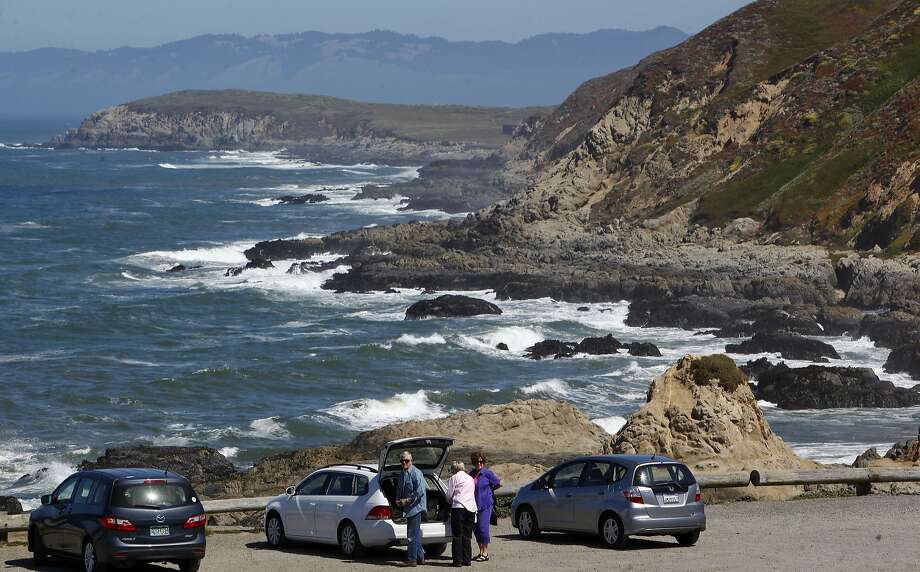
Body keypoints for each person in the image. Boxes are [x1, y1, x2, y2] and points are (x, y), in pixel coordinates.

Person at [395, 451, 427, 567]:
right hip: (408, 508)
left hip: (415, 508)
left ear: (411, 461)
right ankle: (420, 557)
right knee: (415, 534)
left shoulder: (416, 473)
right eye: (402, 460)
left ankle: (411, 559)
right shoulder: (402, 473)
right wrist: (398, 500)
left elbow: (420, 492)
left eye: (406, 460)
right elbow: (399, 488)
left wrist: (407, 500)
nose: (404, 462)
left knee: (411, 536)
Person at [469, 451, 500, 562]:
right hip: (474, 505)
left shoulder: (488, 473)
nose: (479, 463)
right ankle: (481, 551)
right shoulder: (471, 474)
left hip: (485, 504)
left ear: (484, 462)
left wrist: (489, 491)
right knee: (476, 529)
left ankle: (485, 552)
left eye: (481, 461)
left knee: (483, 528)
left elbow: (498, 483)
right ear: (473, 462)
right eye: (477, 462)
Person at [445, 461, 476, 567]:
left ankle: (457, 561)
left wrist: (449, 502)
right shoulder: (470, 478)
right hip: (471, 508)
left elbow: (449, 495)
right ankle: (467, 559)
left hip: (459, 508)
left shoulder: (454, 478)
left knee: (457, 535)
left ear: (454, 469)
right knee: (467, 535)